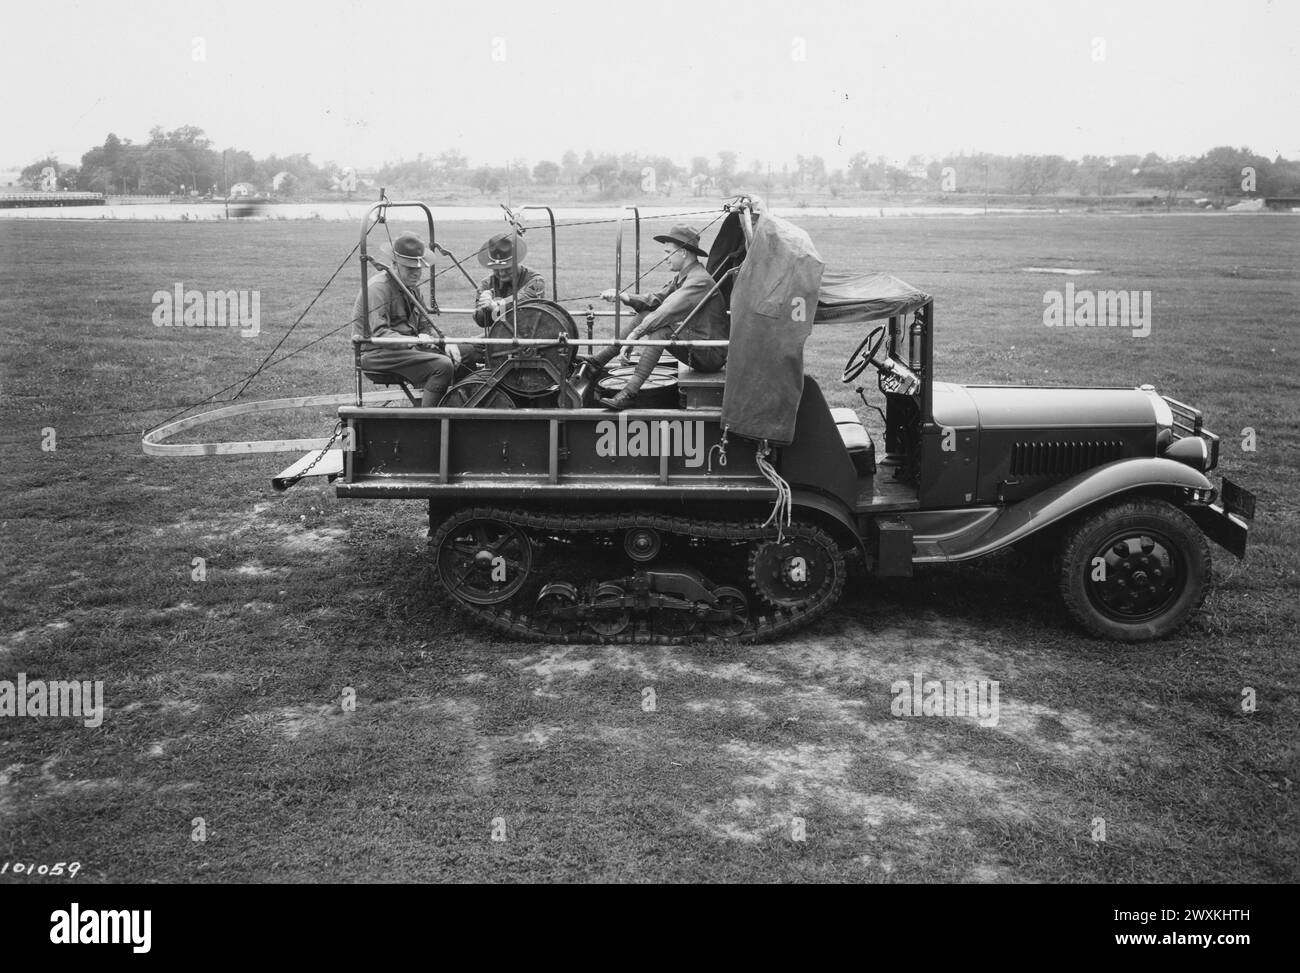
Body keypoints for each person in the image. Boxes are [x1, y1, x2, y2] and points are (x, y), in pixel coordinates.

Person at [583, 224, 728, 410]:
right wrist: (623, 296)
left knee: (661, 331)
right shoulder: (685, 276)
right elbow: (656, 300)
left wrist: (635, 335)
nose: (665, 258)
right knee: (647, 314)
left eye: (668, 252)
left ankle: (630, 393)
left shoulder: (699, 280)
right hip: (699, 344)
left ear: (683, 252)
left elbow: (665, 311)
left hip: (711, 354)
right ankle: (598, 361)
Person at [353, 232, 478, 406]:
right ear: (394, 265)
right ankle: (427, 422)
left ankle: (463, 406)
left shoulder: (412, 288)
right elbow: (380, 334)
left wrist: (445, 341)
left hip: (407, 348)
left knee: (467, 352)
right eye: (410, 268)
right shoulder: (378, 289)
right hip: (377, 353)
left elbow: (425, 325)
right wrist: (415, 339)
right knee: (442, 365)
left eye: (419, 268)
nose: (416, 273)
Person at [473, 232, 547, 329]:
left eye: (507, 268)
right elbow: (481, 321)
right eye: (496, 269)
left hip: (534, 335)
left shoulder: (536, 281)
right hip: (501, 334)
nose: (502, 273)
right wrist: (484, 308)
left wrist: (496, 306)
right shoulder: (487, 284)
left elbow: (524, 299)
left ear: (517, 262)